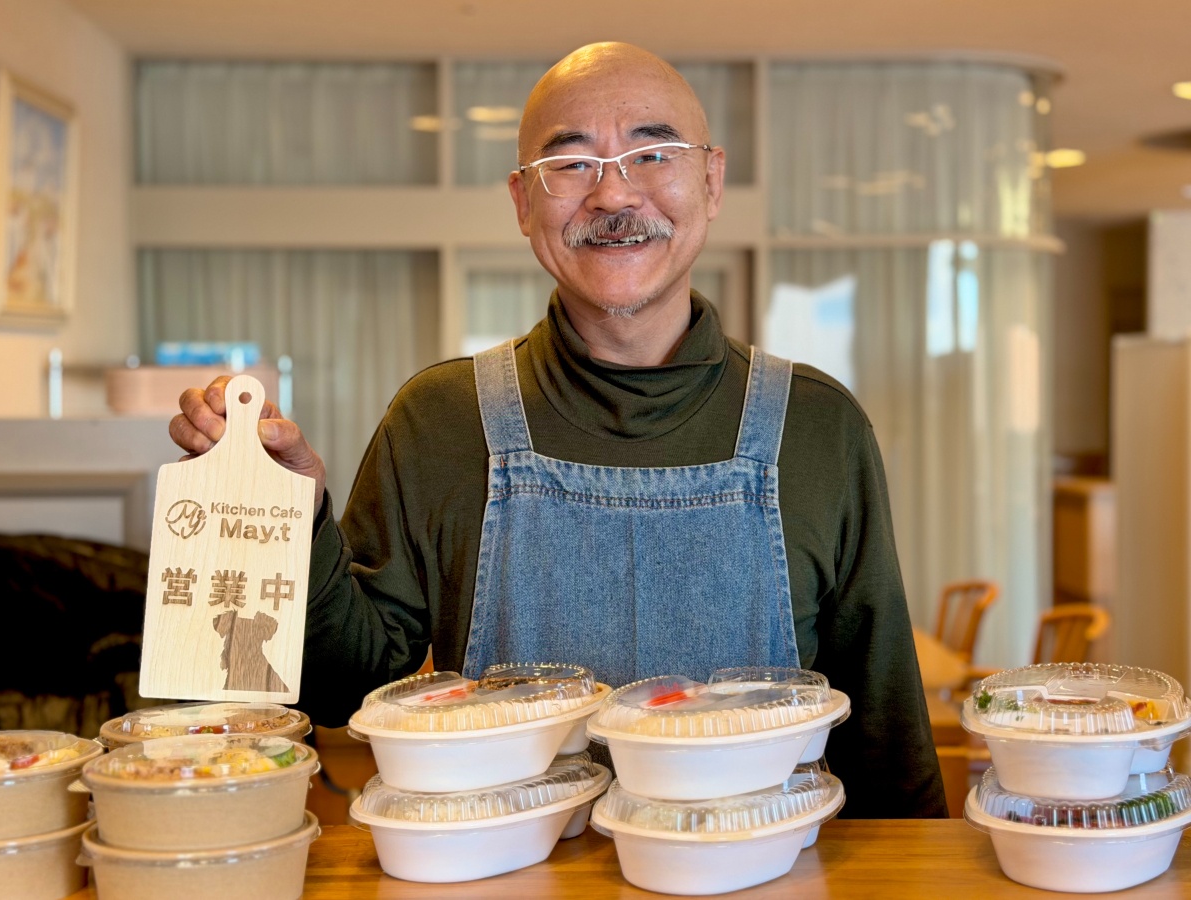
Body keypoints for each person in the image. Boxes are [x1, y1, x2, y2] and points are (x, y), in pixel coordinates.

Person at [171, 41, 947, 818]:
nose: (614, 194)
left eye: (652, 153)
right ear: (522, 201)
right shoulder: (439, 421)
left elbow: (885, 742)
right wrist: (287, 519)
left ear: (712, 181)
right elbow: (342, 688)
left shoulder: (817, 426)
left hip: (764, 868)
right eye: (571, 163)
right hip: (505, 868)